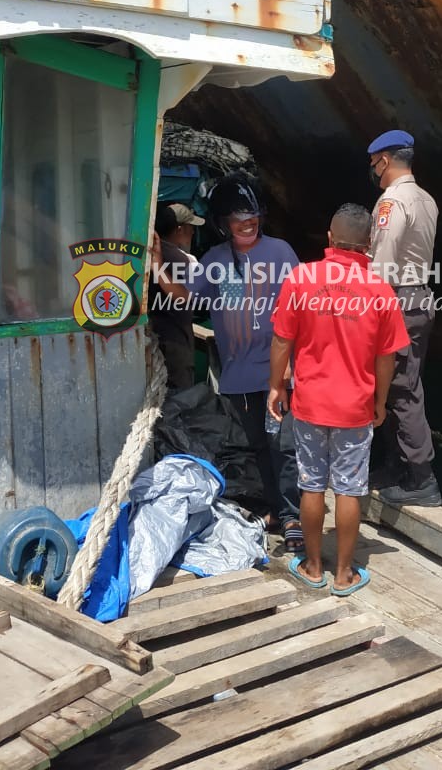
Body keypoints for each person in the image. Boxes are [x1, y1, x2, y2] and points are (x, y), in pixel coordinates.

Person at [151, 173, 303, 548]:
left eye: (253, 217)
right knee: (251, 448)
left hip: (278, 377)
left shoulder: (282, 252)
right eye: (239, 219)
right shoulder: (216, 260)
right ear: (223, 224)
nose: (247, 224)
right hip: (237, 378)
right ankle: (270, 509)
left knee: (284, 448)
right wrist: (157, 265)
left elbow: (302, 309)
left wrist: (290, 368)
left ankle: (292, 516)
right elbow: (186, 299)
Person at [268, 204, 409, 595]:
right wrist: (380, 401)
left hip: (310, 404)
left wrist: (277, 385)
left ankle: (313, 567)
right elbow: (386, 358)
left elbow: (282, 339)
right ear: (369, 243)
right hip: (355, 407)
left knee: (311, 485)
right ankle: (345, 574)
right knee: (349, 488)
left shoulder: (302, 278)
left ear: (328, 238)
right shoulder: (379, 289)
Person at [366, 129, 442, 507]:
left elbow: (382, 262)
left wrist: (367, 309)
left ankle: (420, 478)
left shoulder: (392, 201)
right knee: (404, 382)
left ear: (384, 159)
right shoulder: (426, 199)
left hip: (397, 301)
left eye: (374, 163)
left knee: (399, 388)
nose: (374, 171)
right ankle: (397, 467)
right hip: (418, 299)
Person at [148, 202, 204, 390]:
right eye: (191, 227)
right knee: (180, 398)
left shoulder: (143, 254)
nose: (193, 232)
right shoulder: (186, 261)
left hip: (149, 338)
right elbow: (192, 298)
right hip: (175, 342)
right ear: (180, 229)